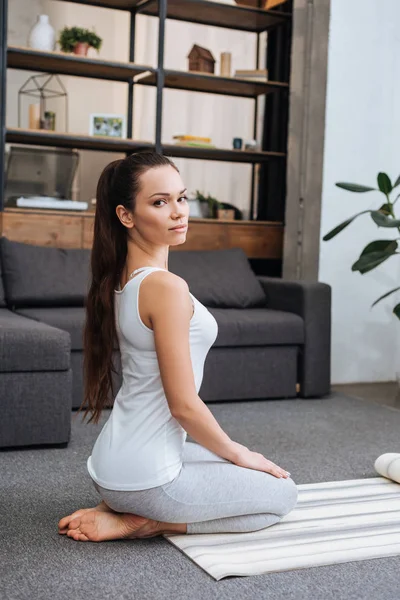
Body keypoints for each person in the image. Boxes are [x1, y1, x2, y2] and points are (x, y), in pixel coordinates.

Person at [58, 151, 298, 542]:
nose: (178, 211)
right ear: (126, 216)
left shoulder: (124, 279)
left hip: (112, 466)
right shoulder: (164, 287)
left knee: (242, 468)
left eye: (181, 198)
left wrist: (234, 455)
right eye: (159, 202)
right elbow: (183, 405)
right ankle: (147, 522)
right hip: (146, 480)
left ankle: (126, 506)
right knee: (282, 496)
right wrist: (239, 452)